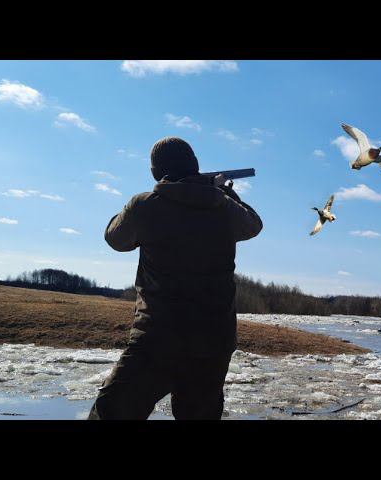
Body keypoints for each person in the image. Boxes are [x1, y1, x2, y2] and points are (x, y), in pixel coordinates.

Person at [88, 136, 263, 420]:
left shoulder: (145, 205)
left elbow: (115, 238)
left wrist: (133, 209)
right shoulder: (223, 206)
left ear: (156, 171)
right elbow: (253, 225)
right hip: (213, 341)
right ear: (194, 166)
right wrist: (225, 193)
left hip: (158, 338)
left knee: (111, 413)